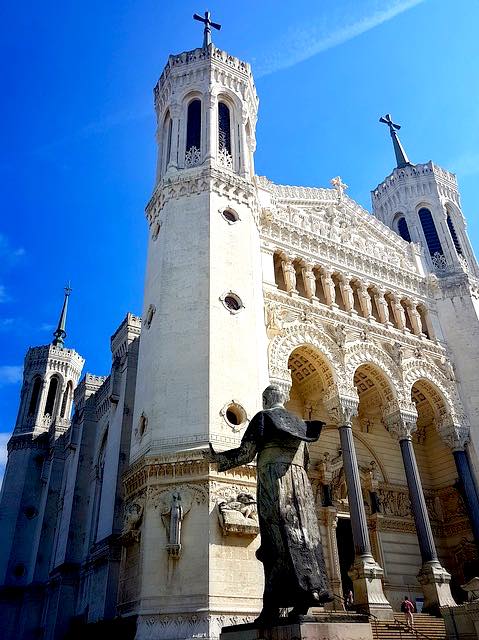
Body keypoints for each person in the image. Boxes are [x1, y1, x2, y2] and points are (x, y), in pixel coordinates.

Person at [204, 385, 332, 624]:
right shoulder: (301, 425)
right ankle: (308, 594)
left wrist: (217, 458)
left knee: (277, 542)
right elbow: (305, 460)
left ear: (265, 400)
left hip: (275, 482)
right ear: (283, 399)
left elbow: (246, 453)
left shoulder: (264, 417)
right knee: (304, 538)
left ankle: (272, 606)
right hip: (301, 487)